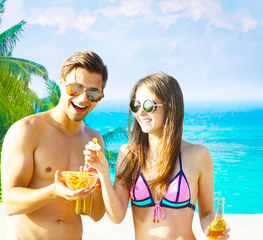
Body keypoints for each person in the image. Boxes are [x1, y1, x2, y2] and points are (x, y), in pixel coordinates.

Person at [84, 72, 230, 239]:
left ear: (170, 107)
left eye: (148, 106)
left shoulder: (198, 155)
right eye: (135, 106)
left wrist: (211, 228)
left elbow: (207, 214)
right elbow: (116, 216)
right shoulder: (129, 154)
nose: (140, 113)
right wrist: (102, 172)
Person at [1, 51, 108, 239]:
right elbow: (10, 204)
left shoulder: (94, 140)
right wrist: (54, 191)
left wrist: (97, 182)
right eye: (75, 88)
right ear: (61, 82)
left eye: (92, 93)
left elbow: (96, 215)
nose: (83, 99)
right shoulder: (27, 130)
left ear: (100, 96)